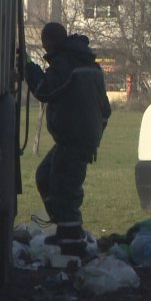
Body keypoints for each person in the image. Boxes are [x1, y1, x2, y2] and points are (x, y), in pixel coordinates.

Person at [25, 22, 111, 257]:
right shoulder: (86, 62)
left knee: (64, 188)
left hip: (73, 138)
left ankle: (73, 241)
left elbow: (45, 89)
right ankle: (65, 229)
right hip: (78, 137)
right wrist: (95, 138)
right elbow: (105, 109)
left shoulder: (66, 63)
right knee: (45, 176)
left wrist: (28, 68)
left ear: (49, 42)